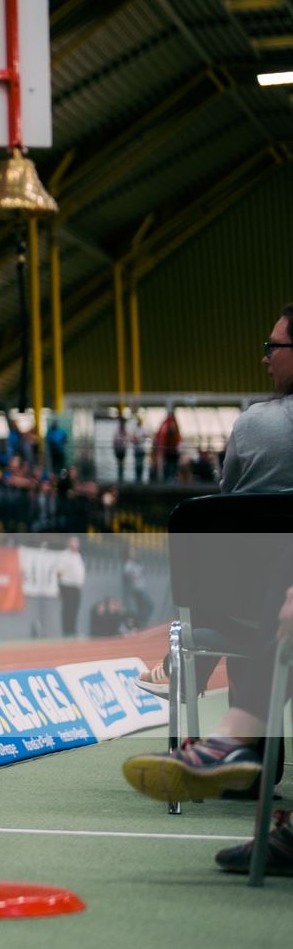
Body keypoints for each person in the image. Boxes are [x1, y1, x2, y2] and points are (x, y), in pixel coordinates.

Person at [121, 304, 293, 873]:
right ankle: (236, 739)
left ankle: (223, 721)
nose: (265, 357)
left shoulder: (254, 424)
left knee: (249, 571)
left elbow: (229, 505)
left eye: (274, 347)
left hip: (246, 610)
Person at [54, 536, 86, 639]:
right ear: (69, 543)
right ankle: (67, 632)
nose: (76, 544)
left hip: (76, 587)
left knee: (75, 609)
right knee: (67, 608)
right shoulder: (64, 555)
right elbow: (59, 572)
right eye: (74, 542)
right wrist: (59, 587)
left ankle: (73, 631)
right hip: (67, 585)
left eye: (77, 542)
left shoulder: (78, 556)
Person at [156, 407, 182, 483]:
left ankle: (171, 478)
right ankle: (169, 478)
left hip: (172, 450)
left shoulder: (172, 424)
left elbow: (178, 438)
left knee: (172, 465)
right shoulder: (168, 424)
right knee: (169, 465)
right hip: (168, 450)